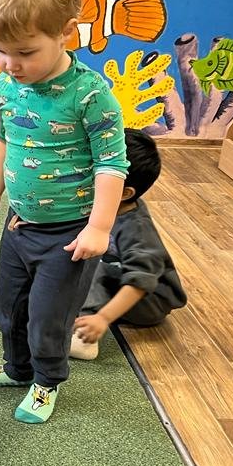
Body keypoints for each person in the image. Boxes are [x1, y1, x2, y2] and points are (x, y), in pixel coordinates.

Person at [0, 0, 128, 424]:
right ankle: (18, 369)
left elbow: (112, 164)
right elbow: (5, 139)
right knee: (9, 309)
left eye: (24, 52)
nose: (10, 64)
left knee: (47, 318)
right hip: (19, 224)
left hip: (70, 235)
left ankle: (46, 380)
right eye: (1, 50)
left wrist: (99, 227)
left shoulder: (90, 94)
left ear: (66, 32)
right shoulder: (9, 85)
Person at [71, 128, 187, 359]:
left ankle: (83, 337)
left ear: (124, 193)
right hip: (118, 279)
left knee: (91, 263)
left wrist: (102, 318)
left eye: (93, 175)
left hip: (148, 301)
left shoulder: (137, 229)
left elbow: (141, 280)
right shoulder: (106, 206)